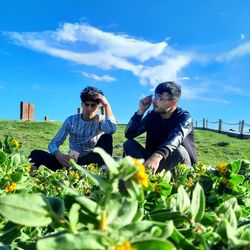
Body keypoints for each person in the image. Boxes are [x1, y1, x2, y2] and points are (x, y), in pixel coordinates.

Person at [29, 86, 117, 171]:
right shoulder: (71, 120)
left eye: (93, 105)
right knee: (36, 154)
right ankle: (28, 178)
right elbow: (53, 144)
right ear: (82, 105)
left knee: (107, 137)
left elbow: (111, 130)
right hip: (72, 161)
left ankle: (103, 171)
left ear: (98, 107)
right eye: (86, 104)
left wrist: (106, 105)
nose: (89, 108)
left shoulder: (102, 120)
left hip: (92, 161)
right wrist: (59, 155)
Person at [123, 81, 197, 174]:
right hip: (151, 163)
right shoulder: (152, 115)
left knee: (180, 150)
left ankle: (145, 176)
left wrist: (158, 155)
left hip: (178, 166)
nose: (154, 101)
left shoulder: (185, 118)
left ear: (172, 103)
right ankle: (145, 176)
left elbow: (177, 136)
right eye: (155, 96)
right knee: (129, 144)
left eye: (159, 98)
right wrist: (141, 111)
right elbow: (129, 134)